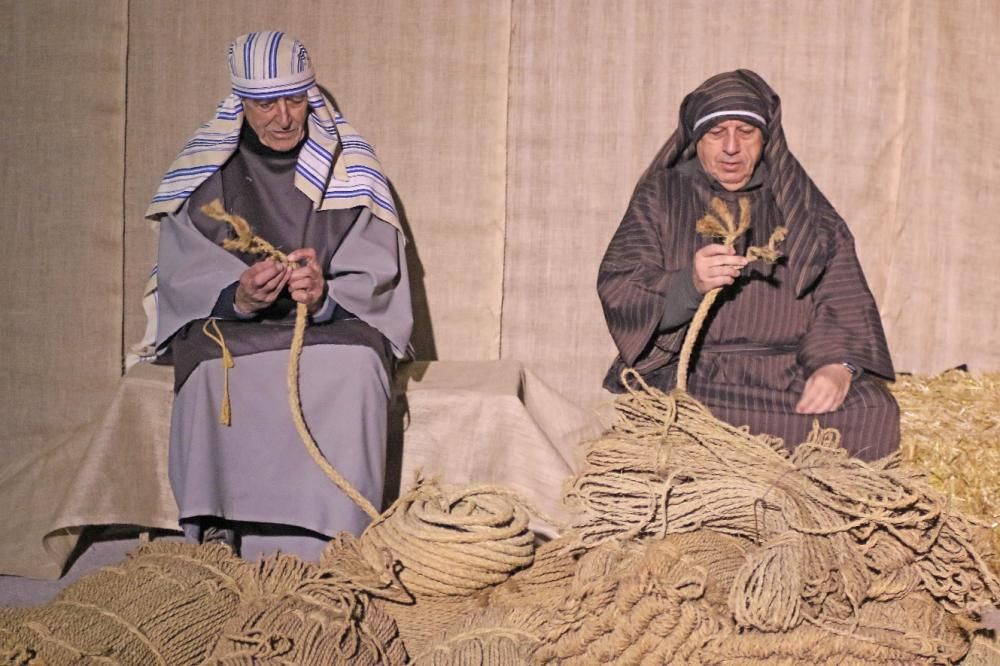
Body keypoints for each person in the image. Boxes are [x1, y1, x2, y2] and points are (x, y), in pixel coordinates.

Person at [146, 31, 412, 559]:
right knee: (206, 367)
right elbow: (181, 273)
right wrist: (238, 297)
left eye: (296, 100)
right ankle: (221, 527)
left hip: (331, 323)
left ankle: (336, 536)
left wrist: (325, 295)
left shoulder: (348, 168)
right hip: (236, 325)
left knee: (357, 367)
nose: (284, 117)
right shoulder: (207, 174)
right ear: (241, 103)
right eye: (266, 104)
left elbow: (377, 275)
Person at [598, 69, 899, 460]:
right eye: (716, 132)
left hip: (787, 374)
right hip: (700, 373)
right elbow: (621, 283)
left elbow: (842, 290)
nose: (731, 148)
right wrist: (687, 285)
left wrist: (837, 366)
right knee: (672, 417)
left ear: (765, 138)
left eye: (745, 131)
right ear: (697, 139)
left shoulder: (799, 201)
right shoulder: (663, 195)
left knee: (874, 411)